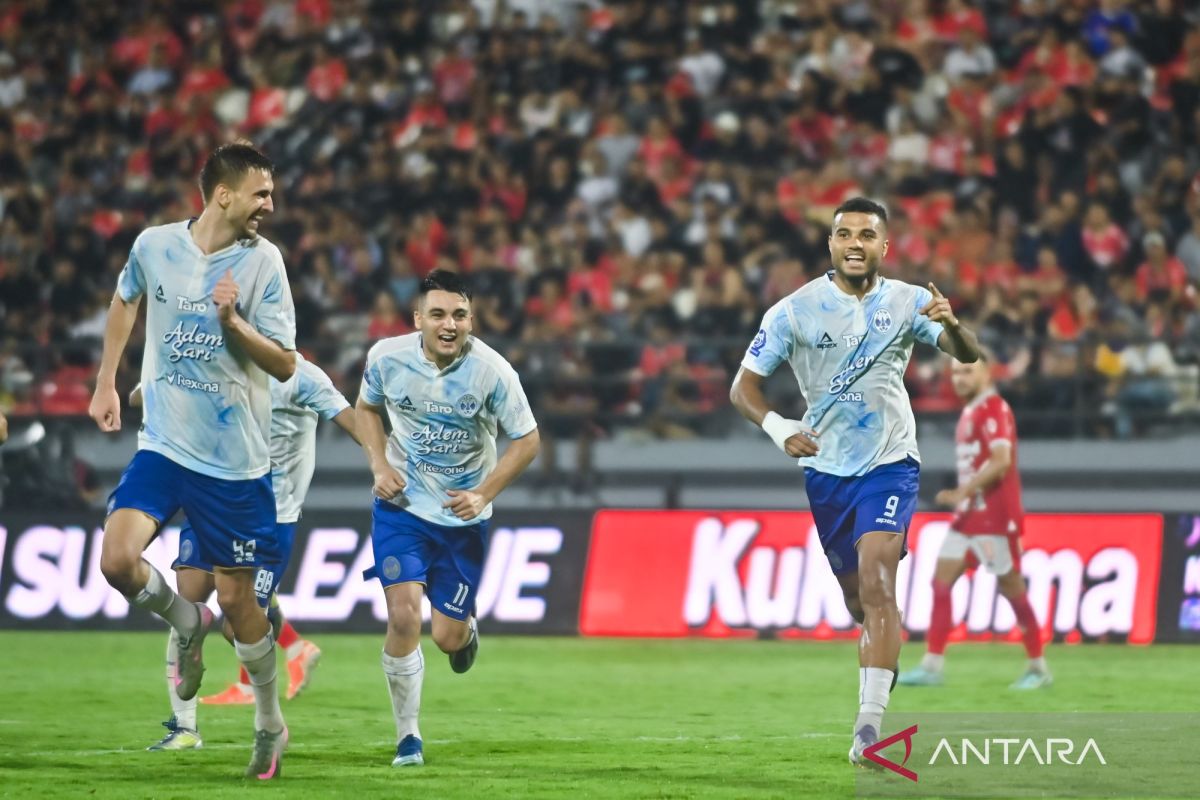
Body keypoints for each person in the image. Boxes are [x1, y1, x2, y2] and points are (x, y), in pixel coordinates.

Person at [728, 197, 980, 767]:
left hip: (891, 463)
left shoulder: (912, 301)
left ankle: (868, 732)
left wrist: (953, 326)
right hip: (826, 472)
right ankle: (882, 650)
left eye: (867, 234)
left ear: (884, 246)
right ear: (831, 245)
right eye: (845, 234)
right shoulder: (793, 312)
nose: (855, 243)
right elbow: (742, 390)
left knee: (878, 579)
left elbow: (969, 354)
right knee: (859, 601)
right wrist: (777, 425)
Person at [87, 143, 297, 780]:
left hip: (233, 464)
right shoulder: (154, 245)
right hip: (164, 445)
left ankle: (269, 723)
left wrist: (233, 322)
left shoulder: (265, 264)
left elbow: (285, 363)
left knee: (241, 608)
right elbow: (126, 300)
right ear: (223, 194)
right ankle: (185, 620)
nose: (270, 203)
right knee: (118, 560)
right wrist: (105, 381)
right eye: (261, 193)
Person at [356, 269, 540, 769]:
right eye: (437, 314)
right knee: (402, 615)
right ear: (418, 319)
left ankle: (466, 630)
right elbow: (366, 410)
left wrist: (482, 494)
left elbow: (527, 441)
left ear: (471, 319)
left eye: (459, 314)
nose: (449, 324)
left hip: (462, 521)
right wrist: (378, 464)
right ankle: (408, 738)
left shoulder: (494, 372)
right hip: (402, 510)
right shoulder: (385, 358)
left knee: (447, 637)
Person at [130, 352, 359, 751]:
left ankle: (275, 695)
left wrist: (387, 460)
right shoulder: (213, 362)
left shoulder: (301, 376)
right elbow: (145, 395)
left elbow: (351, 419)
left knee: (237, 624)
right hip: (213, 498)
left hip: (272, 518)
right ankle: (184, 728)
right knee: (188, 601)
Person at [898, 353, 1050, 690]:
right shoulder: (970, 411)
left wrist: (962, 490)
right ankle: (932, 666)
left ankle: (1038, 668)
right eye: (955, 373)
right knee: (940, 582)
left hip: (995, 518)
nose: (959, 378)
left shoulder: (995, 408)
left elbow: (1001, 461)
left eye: (967, 371)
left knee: (1012, 590)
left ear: (987, 374)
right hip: (969, 517)